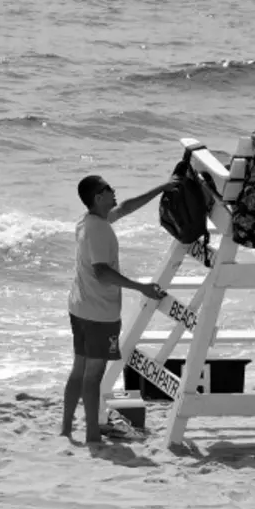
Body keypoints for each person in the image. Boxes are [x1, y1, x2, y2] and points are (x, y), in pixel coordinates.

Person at [61, 174, 176, 444]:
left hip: (79, 306)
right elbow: (102, 272)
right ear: (98, 197)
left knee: (79, 369)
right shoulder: (99, 229)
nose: (114, 191)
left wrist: (161, 188)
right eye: (108, 189)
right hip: (99, 314)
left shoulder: (89, 220)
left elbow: (124, 208)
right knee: (93, 376)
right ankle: (91, 434)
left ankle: (66, 428)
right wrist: (141, 287)